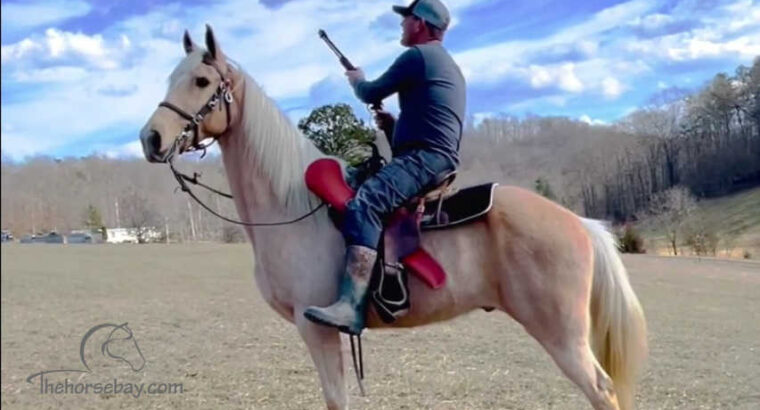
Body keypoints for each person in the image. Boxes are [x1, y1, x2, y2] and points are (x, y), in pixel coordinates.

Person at [304, 0, 466, 335]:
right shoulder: (442, 62)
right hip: (431, 156)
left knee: (365, 203)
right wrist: (392, 125)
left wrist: (356, 79)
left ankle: (351, 306)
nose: (402, 25)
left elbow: (369, 91)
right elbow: (425, 128)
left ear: (419, 24)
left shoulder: (417, 56)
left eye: (406, 19)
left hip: (425, 158)